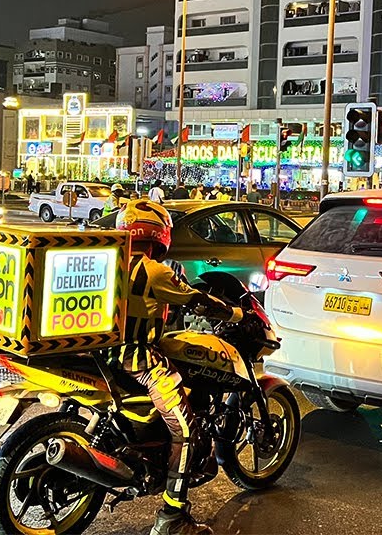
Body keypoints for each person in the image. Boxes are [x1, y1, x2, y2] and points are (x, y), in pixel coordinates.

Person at [113, 200, 242, 535]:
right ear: (160, 236)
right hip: (139, 360)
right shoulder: (156, 272)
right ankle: (172, 518)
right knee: (185, 431)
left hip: (101, 354)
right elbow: (195, 300)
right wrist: (234, 314)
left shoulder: (110, 262)